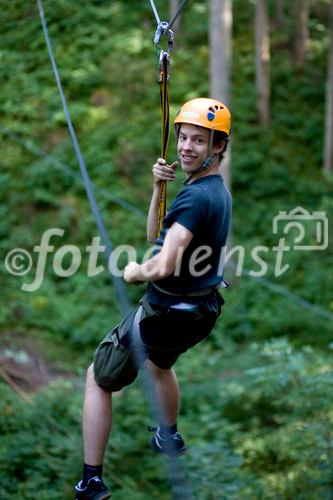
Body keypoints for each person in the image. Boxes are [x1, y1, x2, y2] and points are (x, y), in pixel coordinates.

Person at [74, 97, 232, 499]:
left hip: (164, 312)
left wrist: (133, 272)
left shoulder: (196, 198)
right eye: (183, 138)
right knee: (161, 362)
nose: (186, 147)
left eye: (199, 140)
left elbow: (160, 264)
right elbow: (155, 235)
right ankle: (169, 435)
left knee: (98, 376)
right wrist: (159, 187)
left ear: (218, 147)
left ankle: (91, 479)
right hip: (201, 311)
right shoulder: (211, 190)